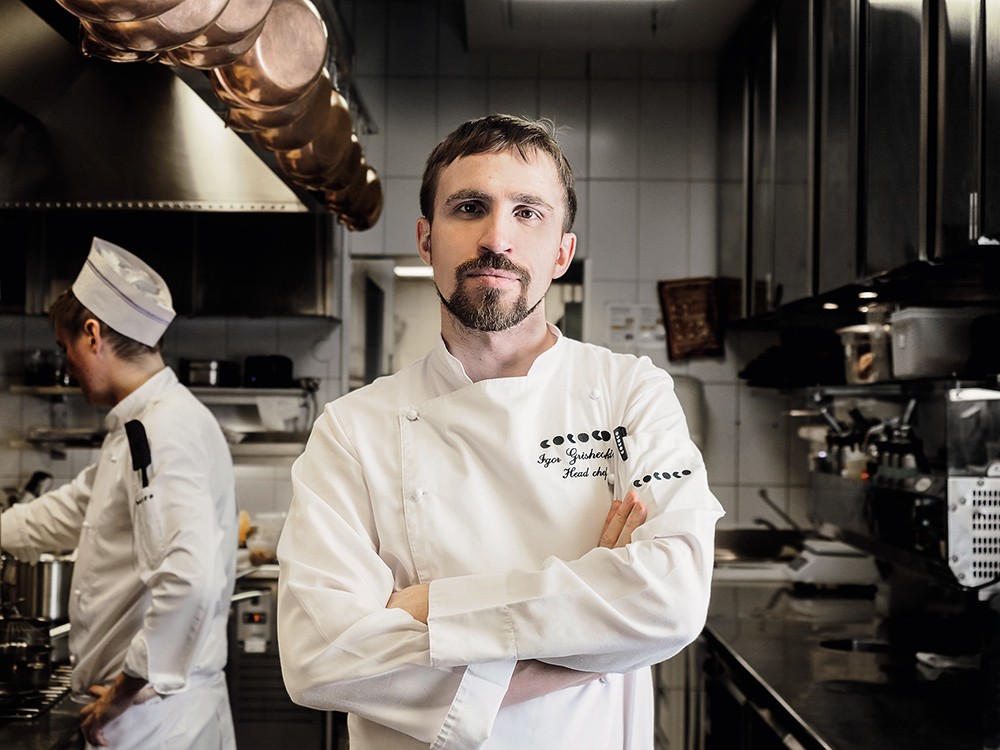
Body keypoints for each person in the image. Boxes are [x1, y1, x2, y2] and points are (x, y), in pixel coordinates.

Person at [277, 114, 724, 749]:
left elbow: (671, 598)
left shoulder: (630, 392)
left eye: (528, 213)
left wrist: (432, 607)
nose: (496, 239)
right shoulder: (353, 429)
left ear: (562, 252)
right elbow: (318, 660)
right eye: (469, 208)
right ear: (426, 240)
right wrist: (594, 627)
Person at [0, 237, 238, 749]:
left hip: (155, 720)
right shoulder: (138, 426)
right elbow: (73, 510)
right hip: (142, 717)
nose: (67, 366)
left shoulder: (166, 429)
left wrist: (123, 691)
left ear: (92, 334)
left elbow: (190, 578)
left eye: (65, 348)